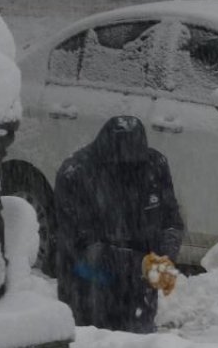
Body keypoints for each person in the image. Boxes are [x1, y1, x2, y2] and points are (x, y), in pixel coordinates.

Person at [54, 115, 184, 333]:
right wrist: (142, 264)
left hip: (139, 293)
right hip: (89, 291)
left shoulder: (154, 165)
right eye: (123, 167)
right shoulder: (75, 174)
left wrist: (165, 257)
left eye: (135, 166)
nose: (130, 174)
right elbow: (84, 249)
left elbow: (171, 220)